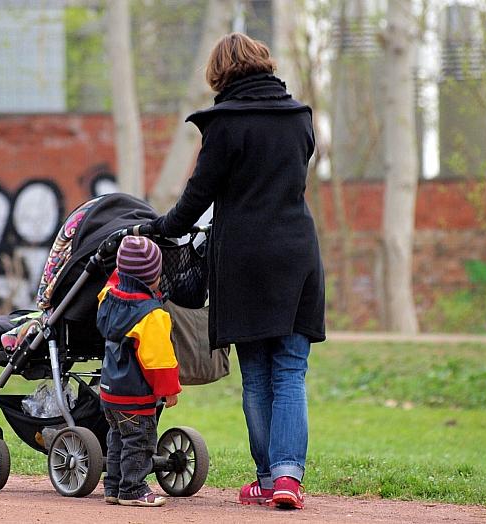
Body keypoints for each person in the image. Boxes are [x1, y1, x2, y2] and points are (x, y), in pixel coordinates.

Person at [148, 32, 325, 510]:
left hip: (244, 260)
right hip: (297, 256)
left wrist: (160, 227)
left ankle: (268, 477)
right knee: (291, 370)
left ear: (219, 74)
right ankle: (288, 479)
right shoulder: (300, 119)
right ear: (264, 65)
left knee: (257, 375)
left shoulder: (225, 124)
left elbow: (197, 196)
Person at [96, 235, 181, 507]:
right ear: (154, 277)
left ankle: (113, 487)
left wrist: (121, 269)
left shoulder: (107, 298)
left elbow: (113, 281)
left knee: (118, 438)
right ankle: (132, 489)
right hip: (135, 394)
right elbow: (159, 359)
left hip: (110, 390)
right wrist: (169, 390)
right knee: (140, 441)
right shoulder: (152, 315)